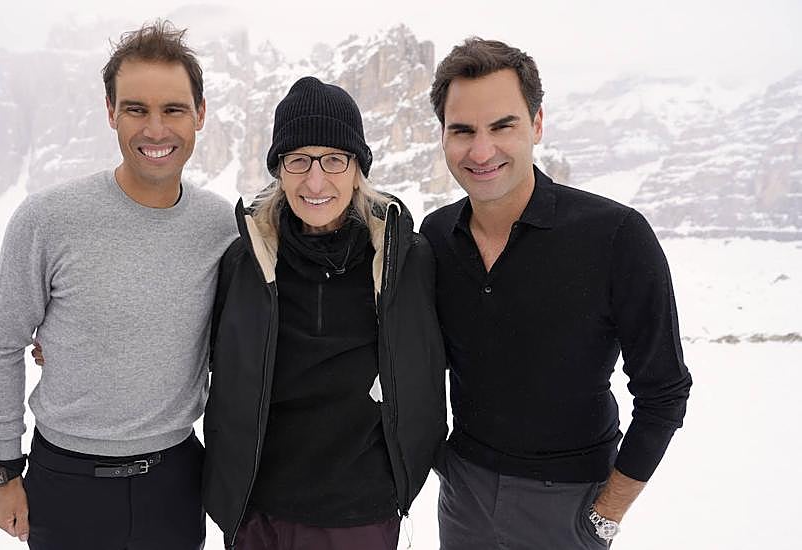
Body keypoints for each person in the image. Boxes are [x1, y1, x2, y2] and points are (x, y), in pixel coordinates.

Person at [419, 38, 693, 549]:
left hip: (570, 504)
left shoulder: (615, 235)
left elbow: (664, 391)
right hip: (463, 499)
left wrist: (604, 516)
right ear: (443, 136)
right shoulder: (434, 238)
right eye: (463, 131)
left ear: (537, 125)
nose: (481, 151)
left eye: (503, 126)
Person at [0, 20, 236, 550]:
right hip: (65, 484)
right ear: (111, 112)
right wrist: (5, 469)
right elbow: (1, 344)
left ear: (200, 115)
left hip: (177, 482)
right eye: (136, 109)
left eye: (173, 109)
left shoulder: (224, 227)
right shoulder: (48, 218)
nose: (155, 130)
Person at [203, 76, 447, 550]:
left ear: (358, 168)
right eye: (298, 160)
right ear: (279, 169)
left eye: (334, 160)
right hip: (259, 511)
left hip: (361, 514)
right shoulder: (246, 261)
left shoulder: (405, 260)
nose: (315, 181)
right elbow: (196, 348)